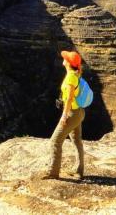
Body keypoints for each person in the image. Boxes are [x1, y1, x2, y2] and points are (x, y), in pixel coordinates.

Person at [42, 50, 85, 179]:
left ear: (68, 63)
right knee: (77, 140)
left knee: (55, 141)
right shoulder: (74, 74)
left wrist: (64, 116)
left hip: (72, 113)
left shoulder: (71, 77)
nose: (63, 59)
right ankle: (78, 171)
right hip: (78, 112)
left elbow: (70, 98)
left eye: (65, 58)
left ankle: (53, 173)